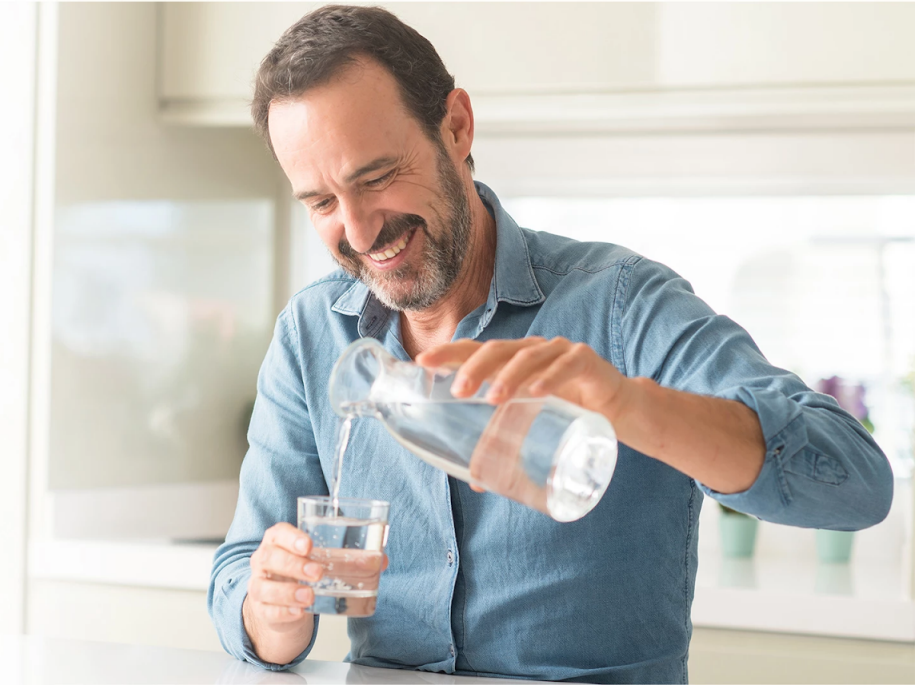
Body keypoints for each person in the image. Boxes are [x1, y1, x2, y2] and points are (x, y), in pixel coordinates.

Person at [207, 6, 893, 683]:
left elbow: (855, 483)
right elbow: (241, 567)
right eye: (322, 203)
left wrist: (629, 405)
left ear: (457, 127)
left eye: (377, 177)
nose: (357, 232)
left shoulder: (620, 305)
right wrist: (272, 612)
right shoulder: (310, 333)